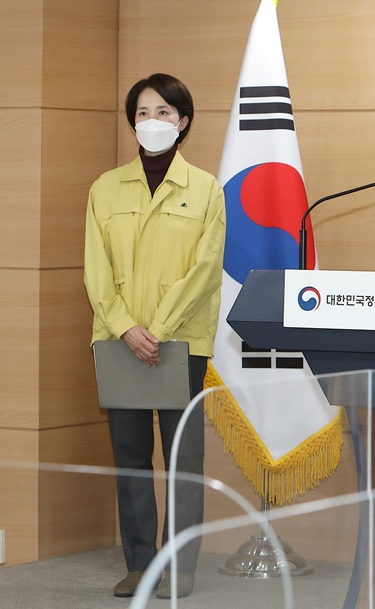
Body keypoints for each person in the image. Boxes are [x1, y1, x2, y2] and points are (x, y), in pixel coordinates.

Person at [84, 73, 226, 599]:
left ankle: (178, 568)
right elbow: (95, 270)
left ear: (183, 121)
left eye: (164, 112)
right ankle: (140, 564)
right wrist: (125, 329)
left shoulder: (207, 189)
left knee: (183, 461)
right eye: (143, 113)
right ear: (132, 122)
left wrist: (158, 331)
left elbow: (206, 269)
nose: (153, 122)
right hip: (118, 343)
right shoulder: (105, 187)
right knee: (130, 456)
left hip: (181, 343)